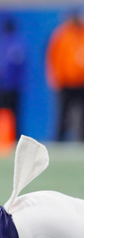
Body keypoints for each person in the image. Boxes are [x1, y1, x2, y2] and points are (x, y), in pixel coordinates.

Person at [46, 11, 84, 142]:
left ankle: (82, 138)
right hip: (65, 81)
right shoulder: (62, 34)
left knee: (83, 113)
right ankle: (59, 139)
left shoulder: (83, 33)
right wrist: (55, 77)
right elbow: (53, 57)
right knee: (63, 113)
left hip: (82, 81)